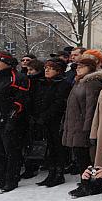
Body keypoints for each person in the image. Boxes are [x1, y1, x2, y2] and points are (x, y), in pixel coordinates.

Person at [63, 55, 102, 198]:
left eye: (82, 66)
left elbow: (91, 108)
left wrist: (88, 129)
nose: (78, 69)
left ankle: (89, 184)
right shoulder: (80, 82)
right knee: (80, 157)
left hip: (83, 127)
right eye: (77, 66)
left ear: (91, 68)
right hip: (75, 125)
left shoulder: (92, 83)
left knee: (85, 159)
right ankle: (85, 182)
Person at [33, 58, 72, 187]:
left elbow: (59, 103)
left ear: (58, 70)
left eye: (50, 68)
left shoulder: (63, 83)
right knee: (50, 147)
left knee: (57, 147)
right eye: (46, 68)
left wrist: (46, 116)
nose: (47, 70)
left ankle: (59, 173)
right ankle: (51, 172)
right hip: (44, 120)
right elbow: (38, 100)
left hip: (56, 120)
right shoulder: (43, 83)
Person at [0, 52, 30, 193]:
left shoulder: (18, 77)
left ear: (6, 62)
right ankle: (0, 178)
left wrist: (11, 119)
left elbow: (21, 101)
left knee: (11, 152)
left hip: (11, 121)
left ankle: (11, 179)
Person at [21, 58, 45, 179]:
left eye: (31, 70)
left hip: (36, 116)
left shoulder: (40, 82)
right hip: (28, 115)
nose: (28, 72)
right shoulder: (28, 81)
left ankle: (33, 166)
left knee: (36, 142)